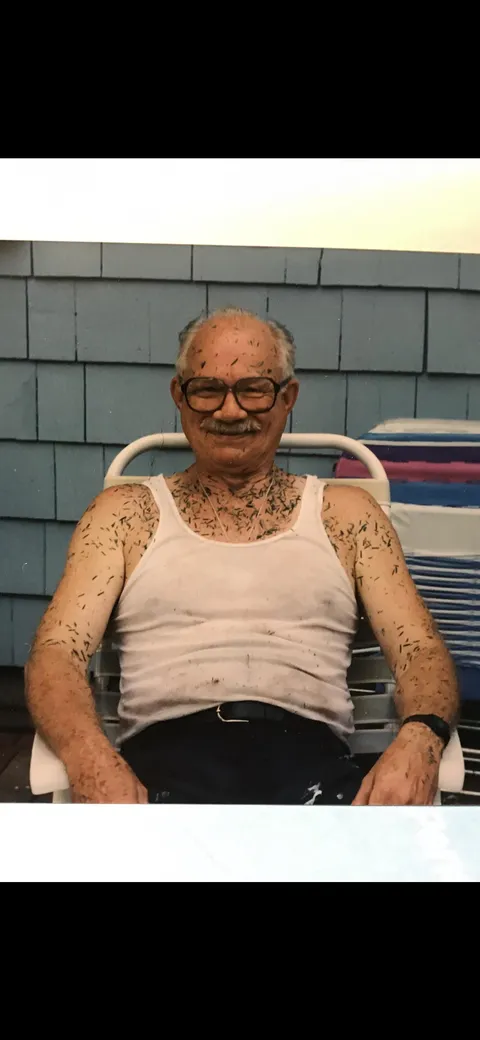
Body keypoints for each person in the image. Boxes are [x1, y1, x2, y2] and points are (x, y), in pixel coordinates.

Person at [25, 308, 459, 805]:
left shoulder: (348, 515)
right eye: (208, 389)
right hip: (157, 773)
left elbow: (420, 650)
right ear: (179, 396)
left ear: (287, 398)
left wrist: (420, 739)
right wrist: (89, 757)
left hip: (313, 770)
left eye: (254, 388)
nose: (230, 412)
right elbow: (57, 652)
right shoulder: (125, 516)